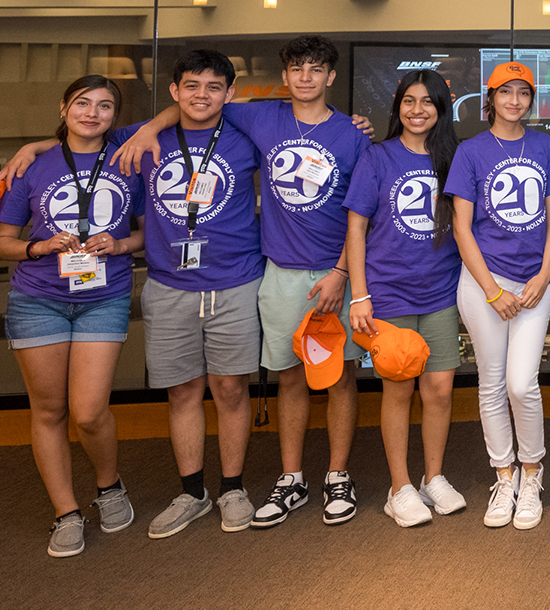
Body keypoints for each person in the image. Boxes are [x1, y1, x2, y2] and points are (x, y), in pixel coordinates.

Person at [0, 50, 267, 538]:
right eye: (190, 86)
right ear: (174, 91)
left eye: (213, 87)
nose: (201, 95)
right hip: (169, 285)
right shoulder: (141, 139)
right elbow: (82, 138)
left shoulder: (249, 134)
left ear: (229, 94)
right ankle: (192, 493)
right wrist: (34, 147)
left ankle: (232, 488)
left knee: (230, 389)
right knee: (183, 391)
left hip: (236, 280)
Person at [109, 35, 372, 529]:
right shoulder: (261, 117)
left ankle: (338, 475)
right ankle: (290, 478)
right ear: (286, 74)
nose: (306, 78)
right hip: (277, 273)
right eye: (297, 69)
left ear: (331, 77)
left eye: (316, 70)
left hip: (333, 273)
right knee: (289, 376)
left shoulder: (353, 134)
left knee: (339, 378)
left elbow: (362, 214)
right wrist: (149, 128)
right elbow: (190, 109)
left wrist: (342, 273)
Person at [0, 75, 145, 556]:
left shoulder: (128, 162)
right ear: (63, 108)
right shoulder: (34, 166)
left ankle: (109, 484)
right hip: (38, 298)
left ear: (114, 117)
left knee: (89, 411)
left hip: (105, 294)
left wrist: (119, 243)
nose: (92, 113)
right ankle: (66, 511)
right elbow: (0, 242)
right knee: (50, 411)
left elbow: (149, 233)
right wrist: (38, 246)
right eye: (82, 103)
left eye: (104, 106)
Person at [344, 70, 468, 528]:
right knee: (397, 388)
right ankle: (399, 488)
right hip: (388, 294)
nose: (418, 110)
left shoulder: (455, 158)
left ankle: (433, 477)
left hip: (440, 292)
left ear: (442, 109)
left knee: (438, 389)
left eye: (428, 102)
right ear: (397, 106)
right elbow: (355, 228)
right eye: (409, 101)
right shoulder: (377, 158)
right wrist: (360, 296)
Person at [447, 62, 550, 530]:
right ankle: (504, 475)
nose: (515, 101)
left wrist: (543, 274)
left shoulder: (543, 145)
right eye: (506, 92)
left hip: (536, 283)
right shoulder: (470, 151)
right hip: (483, 283)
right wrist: (493, 290)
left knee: (522, 383)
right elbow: (461, 226)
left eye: (523, 93)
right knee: (492, 383)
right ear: (489, 97)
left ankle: (532, 473)